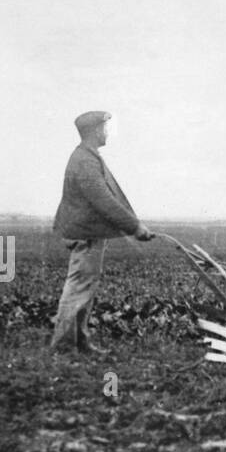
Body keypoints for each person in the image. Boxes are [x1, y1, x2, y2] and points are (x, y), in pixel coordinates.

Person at [51, 111, 153, 353]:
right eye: (105, 128)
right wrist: (134, 226)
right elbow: (103, 200)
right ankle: (64, 346)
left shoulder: (86, 157)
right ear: (96, 130)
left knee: (84, 287)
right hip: (85, 235)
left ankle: (79, 341)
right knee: (79, 287)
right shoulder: (85, 160)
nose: (107, 132)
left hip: (88, 233)